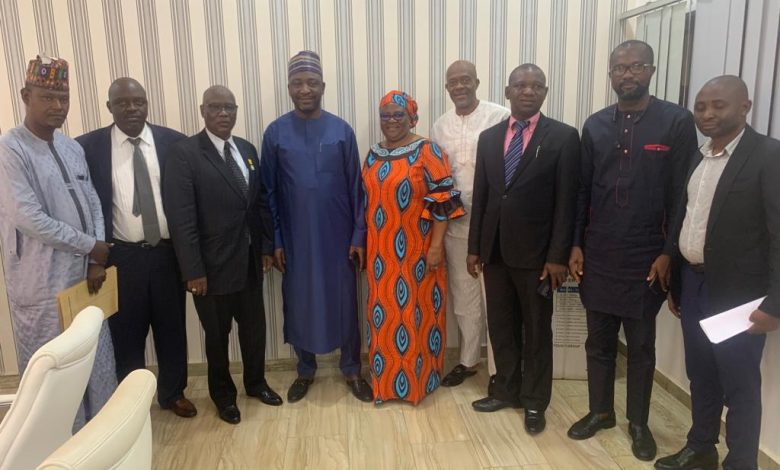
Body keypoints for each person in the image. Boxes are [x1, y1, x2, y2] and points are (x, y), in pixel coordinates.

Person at [566, 40, 698, 461]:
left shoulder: (676, 121)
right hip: (599, 251)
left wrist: (668, 252)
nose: (628, 74)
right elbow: (582, 191)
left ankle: (638, 423)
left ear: (651, 70)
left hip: (647, 255)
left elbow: (683, 194)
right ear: (610, 73)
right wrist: (575, 243)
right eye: (620, 67)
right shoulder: (595, 125)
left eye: (637, 66)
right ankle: (600, 411)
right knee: (598, 341)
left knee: (640, 346)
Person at [655, 76, 780, 470]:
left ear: (745, 107)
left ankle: (741, 462)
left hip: (739, 296)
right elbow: (685, 218)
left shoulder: (769, 156)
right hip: (694, 284)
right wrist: (675, 276)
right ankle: (701, 448)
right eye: (701, 106)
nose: (707, 113)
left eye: (718, 105)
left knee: (739, 383)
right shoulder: (699, 157)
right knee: (701, 373)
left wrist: (775, 305)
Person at [0, 55, 117, 430]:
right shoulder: (10, 149)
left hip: (85, 278)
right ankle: (61, 444)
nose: (58, 106)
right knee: (54, 367)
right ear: (26, 96)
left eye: (63, 98)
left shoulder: (71, 147)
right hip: (40, 286)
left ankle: (99, 437)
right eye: (47, 97)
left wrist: (96, 257)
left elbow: (93, 202)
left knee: (94, 356)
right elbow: (28, 218)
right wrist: (89, 245)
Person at [467, 64, 580, 435]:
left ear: (545, 92)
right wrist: (474, 247)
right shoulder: (489, 138)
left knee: (536, 330)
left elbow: (567, 202)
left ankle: (534, 401)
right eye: (520, 85)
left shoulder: (563, 137)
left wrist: (557, 256)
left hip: (538, 257)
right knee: (501, 327)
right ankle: (506, 390)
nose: (528, 91)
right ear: (507, 91)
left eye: (536, 86)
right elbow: (483, 196)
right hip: (495, 251)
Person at [163, 85, 282, 425]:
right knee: (217, 338)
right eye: (215, 107)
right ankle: (223, 396)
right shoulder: (184, 154)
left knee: (254, 330)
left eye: (230, 107)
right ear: (202, 110)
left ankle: (256, 383)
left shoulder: (246, 150)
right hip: (209, 269)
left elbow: (259, 204)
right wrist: (192, 270)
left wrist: (264, 248)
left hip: (249, 262)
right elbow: (181, 219)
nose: (223, 113)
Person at [77, 78, 195, 418]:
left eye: (138, 101)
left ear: (147, 103)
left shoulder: (174, 143)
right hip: (121, 256)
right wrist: (93, 258)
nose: (131, 108)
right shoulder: (88, 147)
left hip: (167, 253)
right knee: (126, 331)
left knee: (172, 327)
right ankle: (131, 402)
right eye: (122, 102)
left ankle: (173, 393)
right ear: (109, 107)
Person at [260, 50, 371, 403]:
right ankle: (305, 369)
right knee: (299, 301)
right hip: (296, 240)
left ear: (323, 86)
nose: (304, 89)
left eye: (311, 83)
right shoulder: (275, 133)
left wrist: (358, 236)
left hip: (338, 239)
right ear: (288, 88)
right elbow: (268, 192)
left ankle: (351, 369)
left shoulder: (341, 130)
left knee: (345, 303)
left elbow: (357, 189)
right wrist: (277, 240)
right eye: (297, 83)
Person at [363, 90, 465, 405]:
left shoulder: (428, 150)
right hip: (380, 254)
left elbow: (443, 202)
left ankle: (417, 384)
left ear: (412, 118)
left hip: (417, 251)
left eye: (399, 115)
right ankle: (385, 385)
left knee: (416, 315)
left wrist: (436, 246)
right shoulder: (373, 153)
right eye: (385, 115)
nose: (391, 120)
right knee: (383, 316)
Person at [430, 60, 509, 389]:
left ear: (477, 82)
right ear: (447, 88)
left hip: (494, 225)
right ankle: (468, 361)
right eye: (453, 82)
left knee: (496, 299)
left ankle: (500, 371)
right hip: (456, 224)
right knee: (463, 298)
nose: (460, 86)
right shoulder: (439, 126)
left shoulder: (500, 117)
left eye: (465, 80)